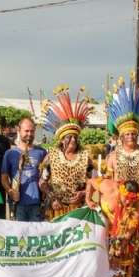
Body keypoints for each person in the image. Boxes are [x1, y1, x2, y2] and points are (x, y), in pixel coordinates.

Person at [40, 85, 93, 220]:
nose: (74, 140)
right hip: (57, 209)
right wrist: (52, 197)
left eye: (76, 137)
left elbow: (95, 181)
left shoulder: (85, 158)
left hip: (78, 210)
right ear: (62, 139)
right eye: (70, 137)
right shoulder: (51, 157)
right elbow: (42, 181)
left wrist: (83, 193)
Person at [86, 177, 139, 277]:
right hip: (103, 229)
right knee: (101, 256)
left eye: (131, 200)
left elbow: (127, 235)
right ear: (120, 191)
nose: (128, 202)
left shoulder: (138, 208)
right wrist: (88, 200)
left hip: (122, 234)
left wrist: (117, 255)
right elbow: (90, 182)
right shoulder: (108, 187)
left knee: (121, 258)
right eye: (126, 198)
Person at [105, 77, 139, 192]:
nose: (131, 137)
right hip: (120, 202)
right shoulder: (113, 156)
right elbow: (107, 180)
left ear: (137, 135)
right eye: (127, 134)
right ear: (121, 137)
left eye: (133, 134)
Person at [1, 117, 47, 223]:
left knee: (36, 235)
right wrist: (10, 191)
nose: (29, 134)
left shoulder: (42, 152)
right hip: (17, 204)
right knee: (20, 236)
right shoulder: (10, 153)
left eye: (32, 131)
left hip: (37, 203)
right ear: (19, 131)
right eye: (26, 131)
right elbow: (4, 177)